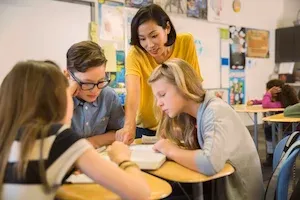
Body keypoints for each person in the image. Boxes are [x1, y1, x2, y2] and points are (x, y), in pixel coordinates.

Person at [0, 61, 150, 200]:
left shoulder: (7, 137)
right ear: (59, 100)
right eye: (67, 93)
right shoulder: (59, 138)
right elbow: (141, 193)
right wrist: (122, 158)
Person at [148, 58, 264, 200]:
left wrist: (170, 150)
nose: (159, 103)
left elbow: (210, 163)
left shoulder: (215, 111)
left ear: (182, 86)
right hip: (221, 186)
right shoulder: (194, 114)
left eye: (162, 95)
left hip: (239, 193)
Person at [116, 4, 203, 144]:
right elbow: (133, 92)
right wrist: (128, 126)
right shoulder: (135, 54)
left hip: (179, 125)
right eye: (142, 39)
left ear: (167, 28)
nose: (149, 45)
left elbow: (194, 86)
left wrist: (197, 120)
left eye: (154, 36)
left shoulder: (185, 42)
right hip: (145, 127)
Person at [66, 41, 124, 148]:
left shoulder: (108, 96)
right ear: (68, 75)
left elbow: (119, 132)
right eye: (87, 83)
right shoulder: (59, 100)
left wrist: (91, 142)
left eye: (101, 81)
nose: (95, 90)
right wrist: (66, 96)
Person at [247, 79, 299, 166]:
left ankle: (272, 156)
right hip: (282, 128)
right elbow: (263, 102)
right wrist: (254, 102)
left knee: (268, 129)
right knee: (269, 129)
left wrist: (268, 93)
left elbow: (266, 104)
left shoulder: (280, 104)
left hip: (286, 129)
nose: (266, 93)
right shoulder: (281, 102)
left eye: (268, 91)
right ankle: (272, 155)